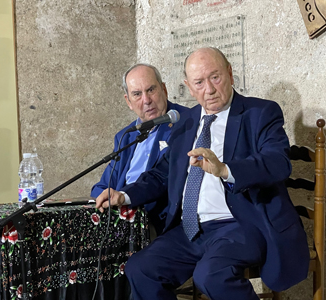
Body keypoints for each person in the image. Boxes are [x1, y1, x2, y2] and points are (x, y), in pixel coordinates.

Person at [95, 47, 309, 300]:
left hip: (240, 224)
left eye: (215, 77)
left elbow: (278, 163)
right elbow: (162, 175)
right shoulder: (185, 122)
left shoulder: (260, 113)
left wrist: (225, 170)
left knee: (210, 275)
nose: (209, 89)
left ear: (230, 73)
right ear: (189, 86)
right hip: (191, 229)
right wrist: (124, 195)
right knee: (140, 269)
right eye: (199, 82)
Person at [91, 63, 188, 235]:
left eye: (151, 90)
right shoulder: (125, 136)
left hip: (161, 222)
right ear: (128, 101)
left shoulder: (187, 123)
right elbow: (102, 186)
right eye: (137, 94)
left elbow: (165, 181)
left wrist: (125, 198)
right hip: (124, 221)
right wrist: (108, 197)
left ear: (164, 89)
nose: (146, 100)